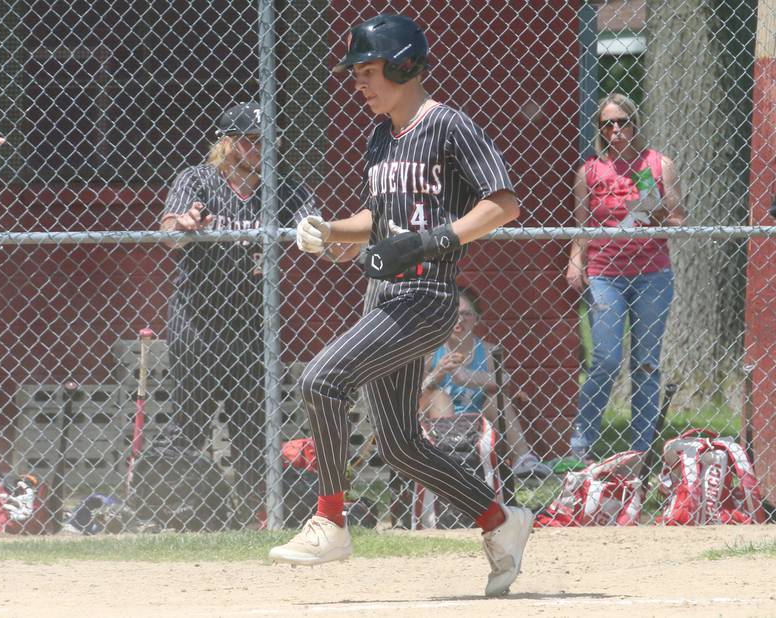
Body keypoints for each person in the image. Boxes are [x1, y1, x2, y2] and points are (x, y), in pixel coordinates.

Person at [268, 14, 533, 597]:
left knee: (321, 378)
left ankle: (331, 519)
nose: (358, 84)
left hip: (427, 298)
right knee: (401, 446)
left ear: (405, 65)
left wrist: (437, 239)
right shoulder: (382, 134)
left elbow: (505, 204)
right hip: (383, 299)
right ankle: (500, 522)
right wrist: (332, 230)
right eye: (356, 74)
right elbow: (380, 222)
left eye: (368, 72)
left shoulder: (448, 126)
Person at [159, 101, 317, 522]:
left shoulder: (283, 184)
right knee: (189, 423)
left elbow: (312, 227)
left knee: (252, 428)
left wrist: (328, 234)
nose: (261, 149)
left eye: (267, 141)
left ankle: (254, 518)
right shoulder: (198, 179)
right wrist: (186, 224)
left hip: (253, 324)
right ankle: (178, 513)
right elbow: (170, 232)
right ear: (226, 143)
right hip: (197, 320)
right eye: (250, 141)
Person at [565, 92, 686, 462]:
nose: (616, 130)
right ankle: (582, 446)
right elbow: (581, 226)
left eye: (623, 122)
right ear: (600, 130)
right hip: (606, 274)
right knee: (604, 359)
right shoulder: (589, 171)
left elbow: (679, 219)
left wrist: (656, 212)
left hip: (652, 273)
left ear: (635, 123)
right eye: (608, 124)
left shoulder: (657, 163)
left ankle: (641, 448)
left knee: (647, 362)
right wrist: (575, 259)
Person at [420, 286, 552, 478]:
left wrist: (467, 376)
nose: (460, 320)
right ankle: (449, 461)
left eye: (466, 314)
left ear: (476, 318)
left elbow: (504, 381)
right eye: (453, 314)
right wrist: (438, 373)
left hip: (476, 417)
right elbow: (415, 392)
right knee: (439, 396)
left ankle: (523, 458)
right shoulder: (431, 351)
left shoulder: (488, 351)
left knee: (495, 397)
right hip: (438, 421)